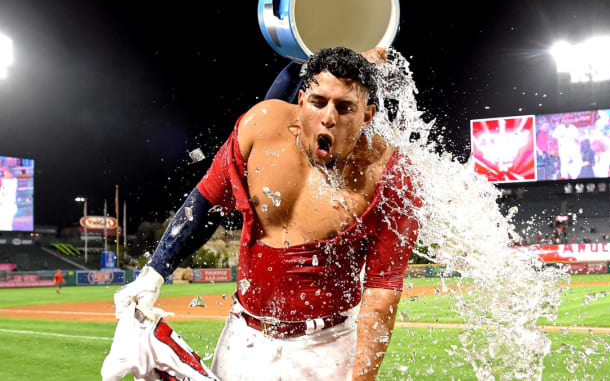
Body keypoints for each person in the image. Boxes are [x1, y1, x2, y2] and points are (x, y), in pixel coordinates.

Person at [113, 47, 421, 381]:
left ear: (368, 114)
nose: (329, 118)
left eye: (345, 107)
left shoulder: (392, 173)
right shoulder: (261, 126)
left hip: (328, 346)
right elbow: (206, 202)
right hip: (244, 337)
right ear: (301, 100)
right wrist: (154, 272)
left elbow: (381, 290)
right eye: (318, 102)